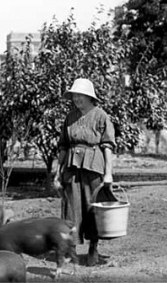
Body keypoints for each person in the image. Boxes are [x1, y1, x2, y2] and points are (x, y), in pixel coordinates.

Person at [53, 78, 117, 266]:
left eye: (80, 95)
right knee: (71, 208)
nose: (77, 99)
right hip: (72, 167)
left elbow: (107, 146)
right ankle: (70, 249)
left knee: (92, 208)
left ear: (90, 97)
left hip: (93, 167)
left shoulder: (100, 116)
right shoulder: (69, 118)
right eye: (74, 96)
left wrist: (108, 173)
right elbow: (63, 147)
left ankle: (93, 248)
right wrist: (58, 173)